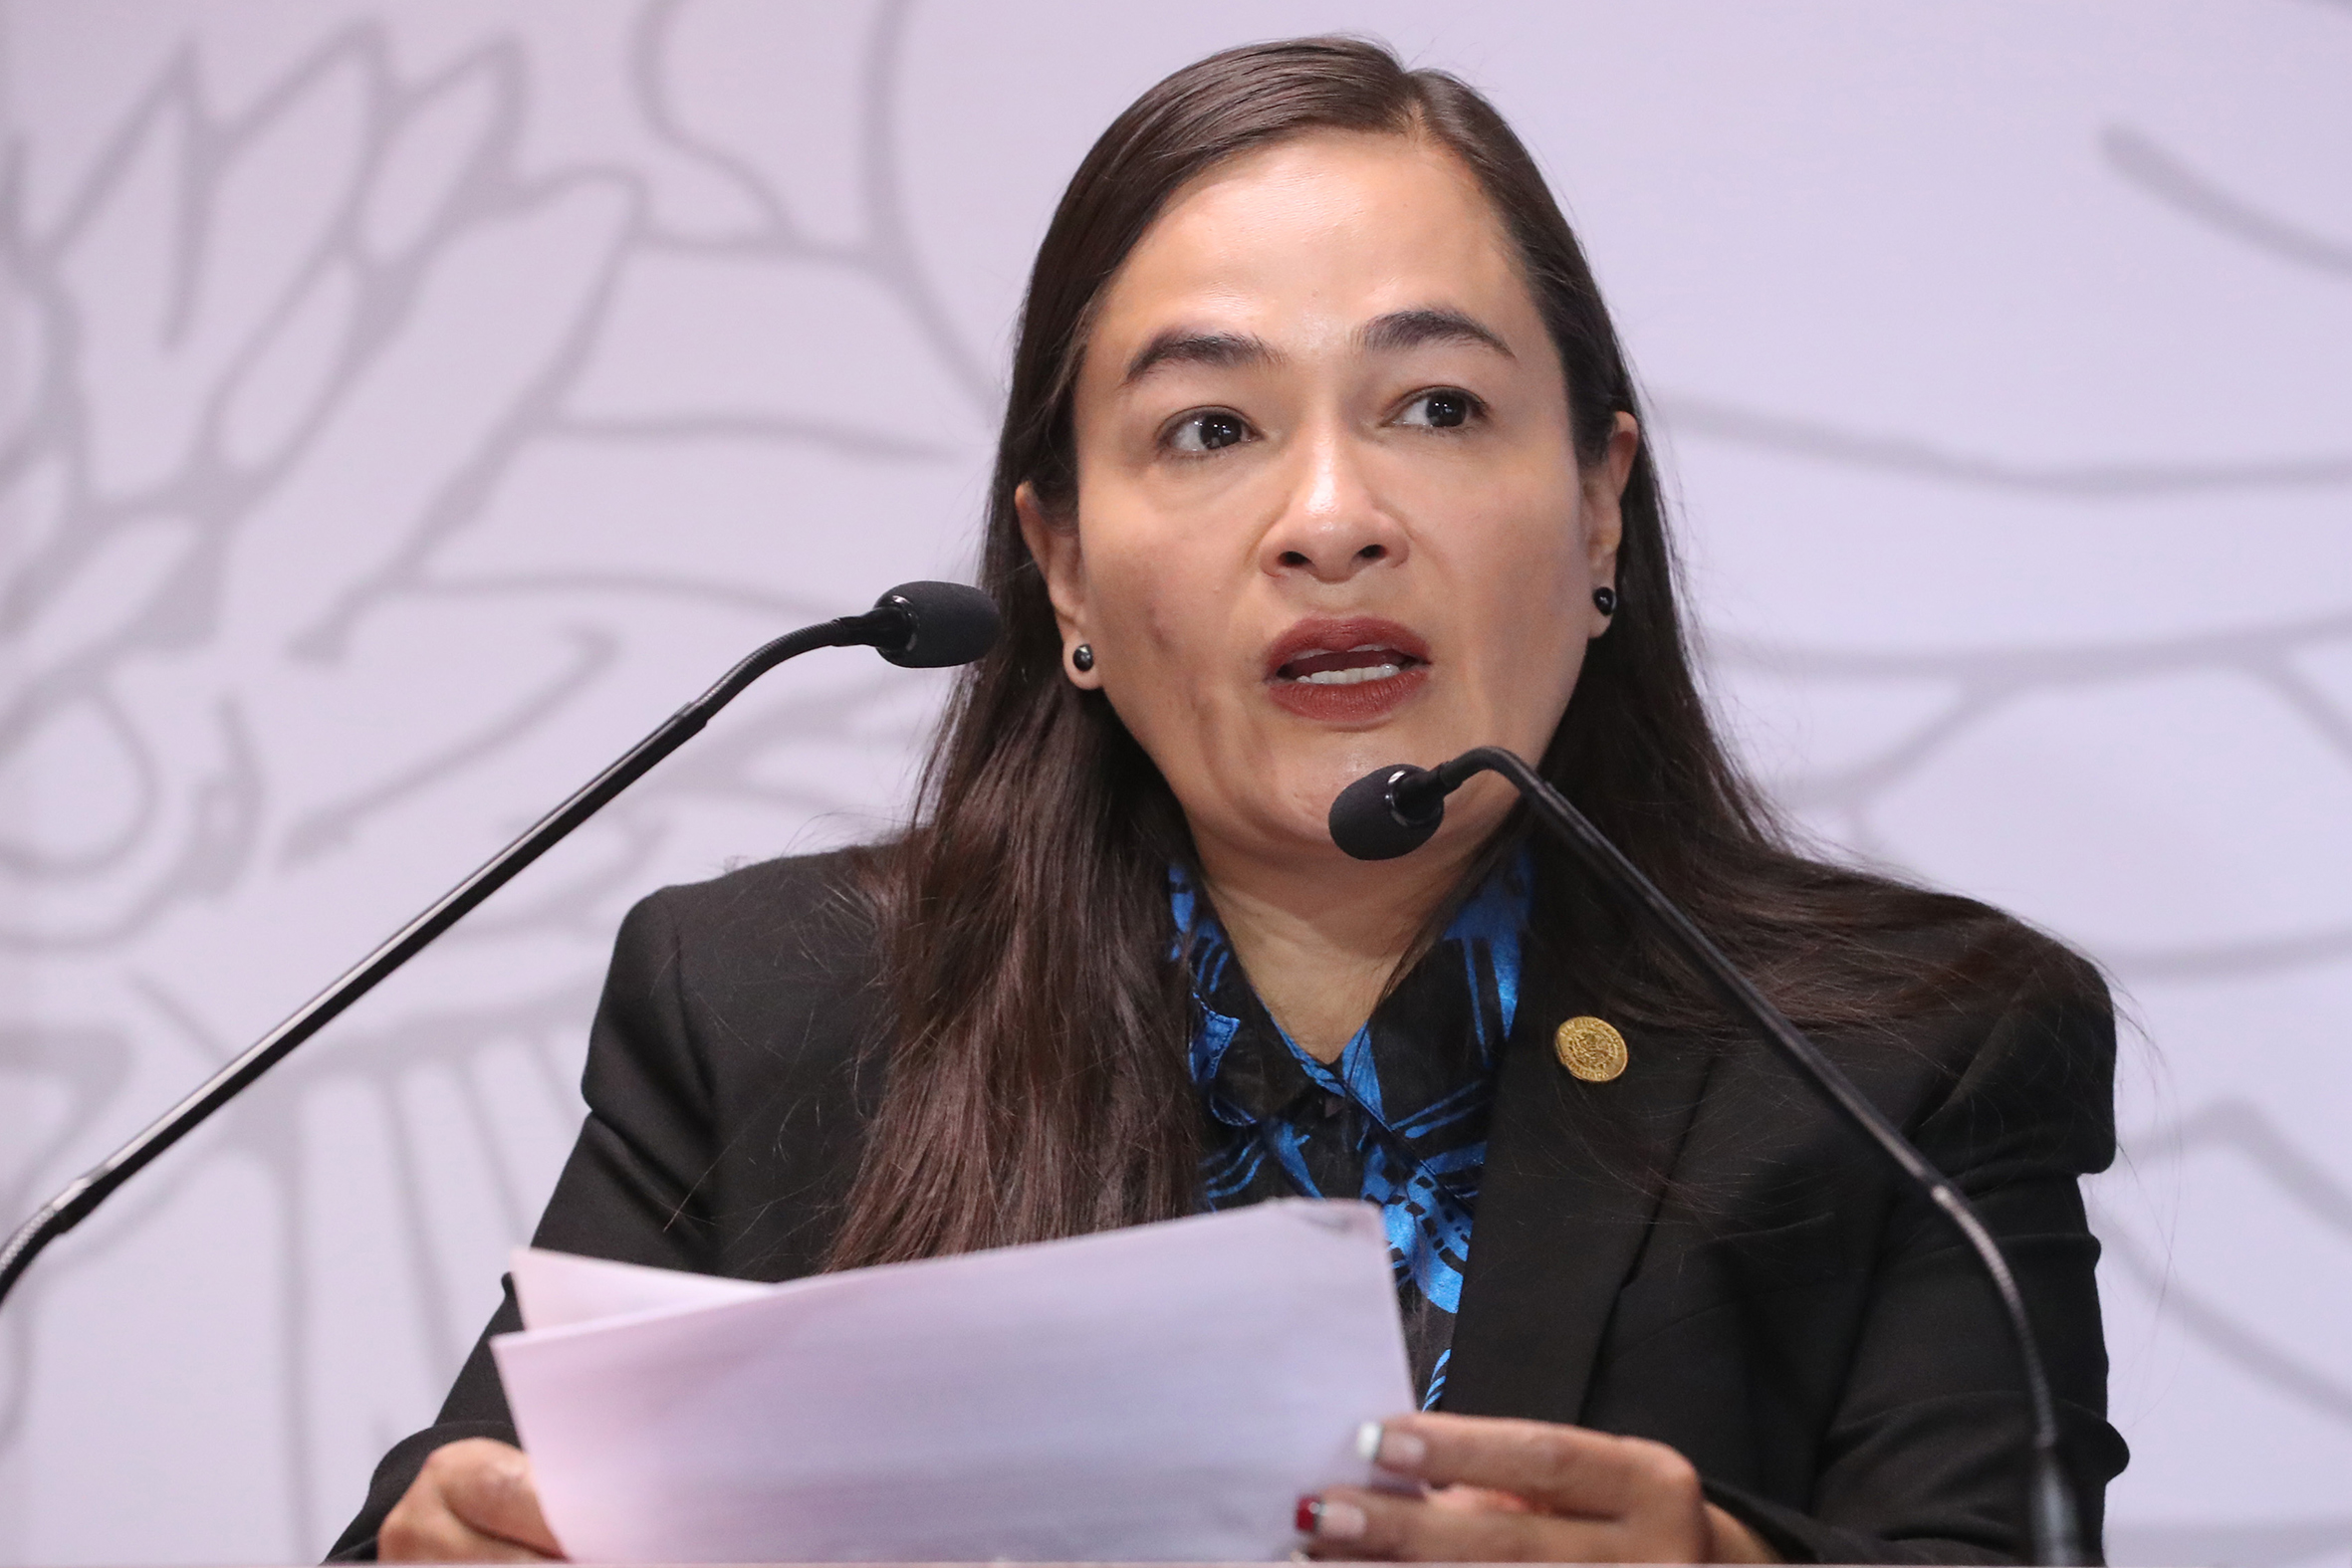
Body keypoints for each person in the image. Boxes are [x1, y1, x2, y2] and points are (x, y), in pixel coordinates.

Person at [332, 37, 2126, 1565]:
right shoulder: (773, 1007)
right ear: (1063, 568)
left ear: (1598, 506)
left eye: (1435, 406)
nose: (1329, 518)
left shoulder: (1901, 1058)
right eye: (1209, 428)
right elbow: (470, 1518)